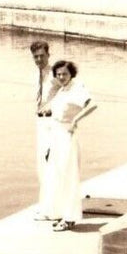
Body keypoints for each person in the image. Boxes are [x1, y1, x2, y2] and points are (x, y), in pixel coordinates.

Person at [39, 60, 98, 232]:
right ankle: (60, 213)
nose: (61, 77)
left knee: (68, 176)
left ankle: (70, 218)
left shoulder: (77, 88)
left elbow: (92, 104)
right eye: (58, 74)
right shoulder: (63, 90)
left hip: (67, 135)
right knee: (57, 175)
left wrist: (75, 119)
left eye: (64, 74)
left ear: (71, 73)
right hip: (56, 134)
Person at [30, 41, 58, 220]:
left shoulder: (55, 75)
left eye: (42, 55)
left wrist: (52, 106)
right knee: (42, 165)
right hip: (40, 123)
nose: (39, 59)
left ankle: (52, 209)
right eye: (35, 57)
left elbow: (66, 93)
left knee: (50, 163)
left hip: (52, 122)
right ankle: (46, 206)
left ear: (48, 55)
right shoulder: (36, 74)